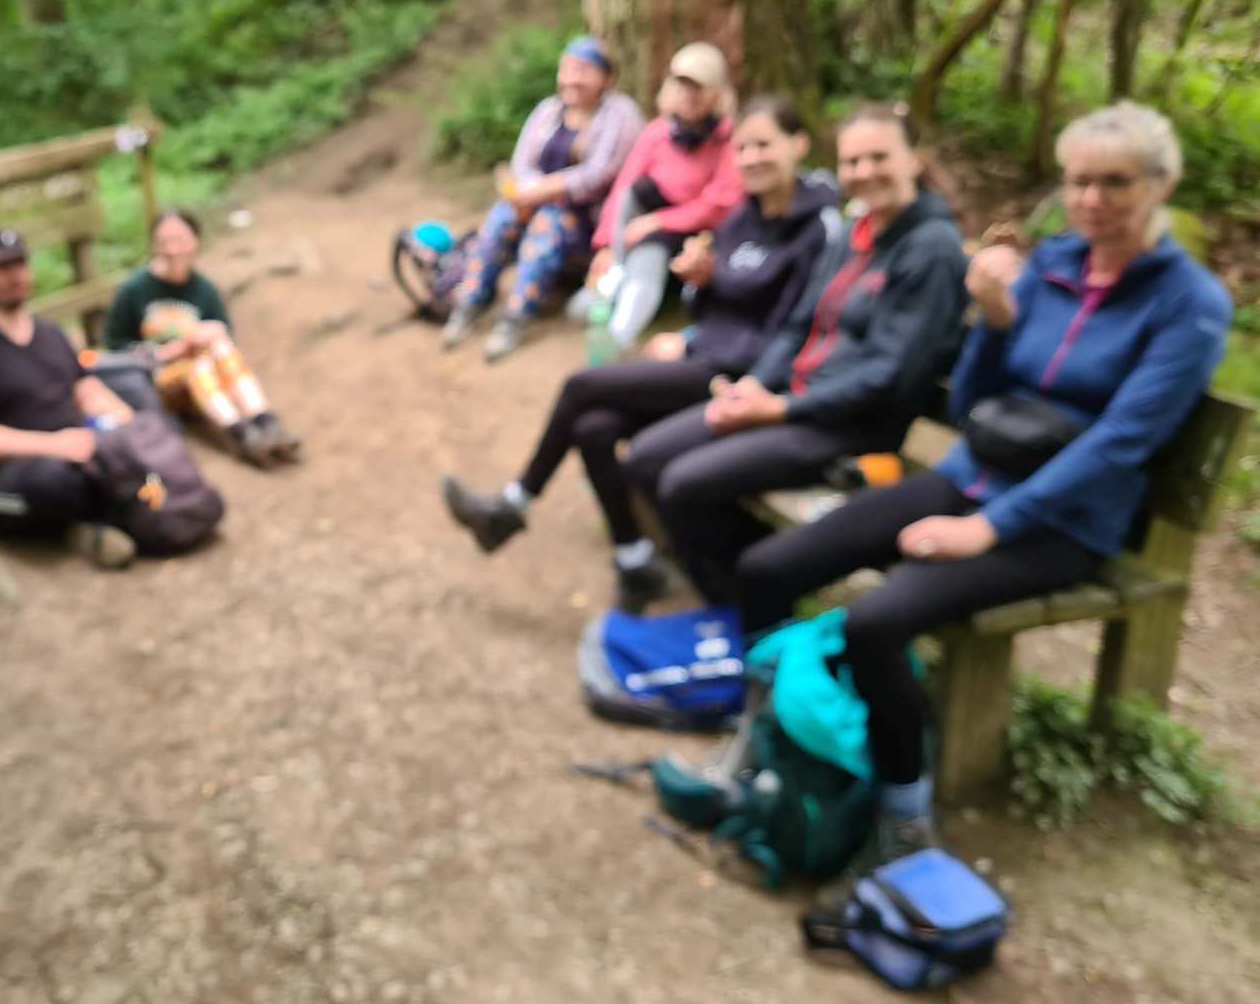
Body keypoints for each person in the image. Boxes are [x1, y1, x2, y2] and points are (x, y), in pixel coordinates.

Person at [736, 102, 1231, 886]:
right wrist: (995, 322)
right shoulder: (1054, 265)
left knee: (876, 623)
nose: (1092, 200)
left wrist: (992, 529)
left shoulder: (1189, 304)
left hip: (1065, 521)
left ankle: (904, 812)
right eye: (1078, 182)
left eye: (1115, 182)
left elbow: (1121, 444)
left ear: (1162, 184)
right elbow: (970, 407)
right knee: (768, 567)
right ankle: (774, 741)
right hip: (970, 476)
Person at [441, 97, 842, 609]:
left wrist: (738, 375)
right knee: (593, 429)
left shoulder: (820, 228)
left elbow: (799, 326)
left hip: (746, 378)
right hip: (708, 359)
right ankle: (634, 562)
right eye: (742, 148)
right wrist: (702, 285)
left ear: (799, 145)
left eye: (764, 145)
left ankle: (512, 506)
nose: (751, 158)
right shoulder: (744, 215)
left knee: (580, 386)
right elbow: (716, 306)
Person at [620, 103, 971, 607]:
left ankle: (741, 610)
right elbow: (798, 325)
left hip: (852, 426)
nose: (865, 172)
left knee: (682, 483)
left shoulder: (932, 249)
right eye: (853, 162)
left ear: (913, 159)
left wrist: (780, 408)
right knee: (648, 456)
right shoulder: (853, 234)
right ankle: (738, 585)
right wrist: (755, 385)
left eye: (880, 157)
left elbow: (890, 373)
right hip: (793, 400)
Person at [0, 228, 140, 568]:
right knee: (56, 480)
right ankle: (75, 529)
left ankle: (101, 518)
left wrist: (123, 421)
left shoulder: (50, 334)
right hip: (0, 482)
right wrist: (54, 445)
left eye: (19, 264)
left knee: (135, 433)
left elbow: (87, 391)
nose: (15, 276)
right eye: (3, 268)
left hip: (71, 451)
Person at [441, 35, 645, 361]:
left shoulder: (621, 115)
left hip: (593, 221)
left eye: (584, 70)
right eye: (567, 68)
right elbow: (523, 163)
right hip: (538, 205)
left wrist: (542, 191)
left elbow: (600, 174)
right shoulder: (548, 111)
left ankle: (515, 316)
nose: (573, 78)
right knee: (502, 216)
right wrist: (526, 191)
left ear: (606, 78)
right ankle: (470, 300)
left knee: (548, 224)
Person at [104, 208, 301, 467]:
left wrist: (211, 334)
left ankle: (263, 420)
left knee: (218, 348)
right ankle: (239, 433)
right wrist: (165, 352)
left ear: (195, 241)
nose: (174, 249)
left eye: (181, 240)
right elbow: (115, 345)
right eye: (165, 241)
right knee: (197, 365)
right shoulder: (134, 291)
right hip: (158, 378)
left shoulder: (205, 290)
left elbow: (226, 340)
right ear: (154, 245)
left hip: (204, 375)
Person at [583, 42, 745, 357]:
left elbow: (720, 204)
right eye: (682, 84)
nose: (688, 94)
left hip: (701, 234)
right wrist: (605, 244)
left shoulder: (729, 140)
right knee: (638, 211)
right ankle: (612, 286)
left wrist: (657, 221)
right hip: (646, 230)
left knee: (651, 247)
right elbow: (623, 187)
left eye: (697, 86)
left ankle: (616, 335)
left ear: (716, 93)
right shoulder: (657, 132)